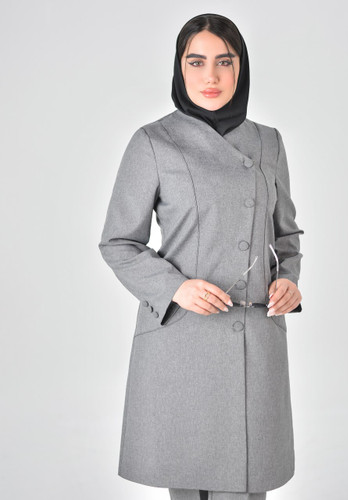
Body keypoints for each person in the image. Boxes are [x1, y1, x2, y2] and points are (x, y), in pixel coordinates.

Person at [98, 13, 304, 500]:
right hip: (184, 342)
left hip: (255, 338)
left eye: (224, 62)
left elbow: (286, 235)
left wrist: (290, 281)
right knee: (191, 483)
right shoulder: (153, 142)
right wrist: (176, 287)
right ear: (180, 67)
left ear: (240, 68)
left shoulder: (268, 142)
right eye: (196, 62)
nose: (210, 76)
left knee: (249, 484)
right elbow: (118, 242)